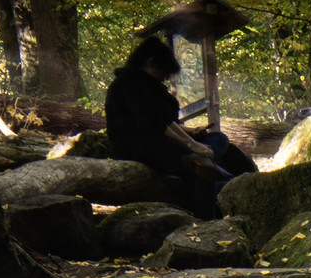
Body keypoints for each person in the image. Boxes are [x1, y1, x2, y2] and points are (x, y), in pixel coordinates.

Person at [105, 36, 255, 219]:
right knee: (199, 165)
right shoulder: (128, 84)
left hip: (163, 141)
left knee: (218, 139)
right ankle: (209, 216)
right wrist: (191, 144)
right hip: (138, 146)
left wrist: (192, 135)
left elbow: (167, 123)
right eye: (164, 73)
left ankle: (211, 168)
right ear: (151, 62)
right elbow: (155, 124)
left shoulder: (148, 85)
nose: (166, 78)